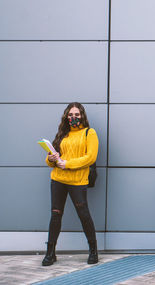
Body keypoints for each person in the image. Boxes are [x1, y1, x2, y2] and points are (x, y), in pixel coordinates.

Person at [42, 102, 99, 266]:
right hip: (58, 180)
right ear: (66, 117)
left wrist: (68, 164)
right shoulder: (62, 134)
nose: (73, 117)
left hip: (77, 180)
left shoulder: (89, 133)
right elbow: (51, 159)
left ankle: (93, 251)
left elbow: (90, 157)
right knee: (55, 215)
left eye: (76, 114)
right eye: (70, 115)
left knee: (84, 215)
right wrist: (51, 159)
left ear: (82, 115)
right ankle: (50, 253)